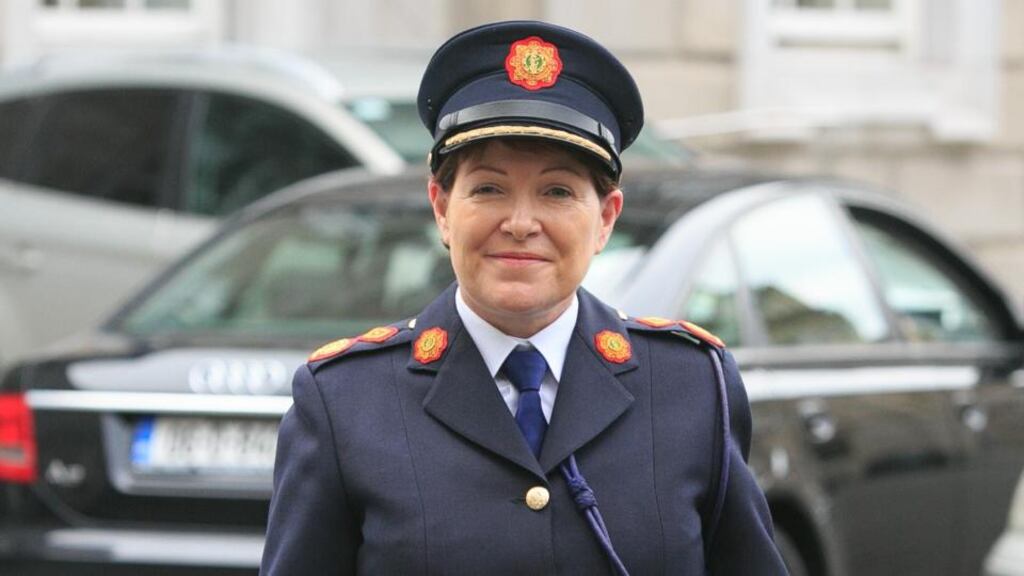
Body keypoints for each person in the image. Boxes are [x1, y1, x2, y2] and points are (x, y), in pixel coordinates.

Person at [260, 20, 789, 576]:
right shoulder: (346, 401)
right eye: (488, 189)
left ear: (606, 219)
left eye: (557, 192)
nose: (519, 223)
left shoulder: (691, 386)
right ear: (441, 207)